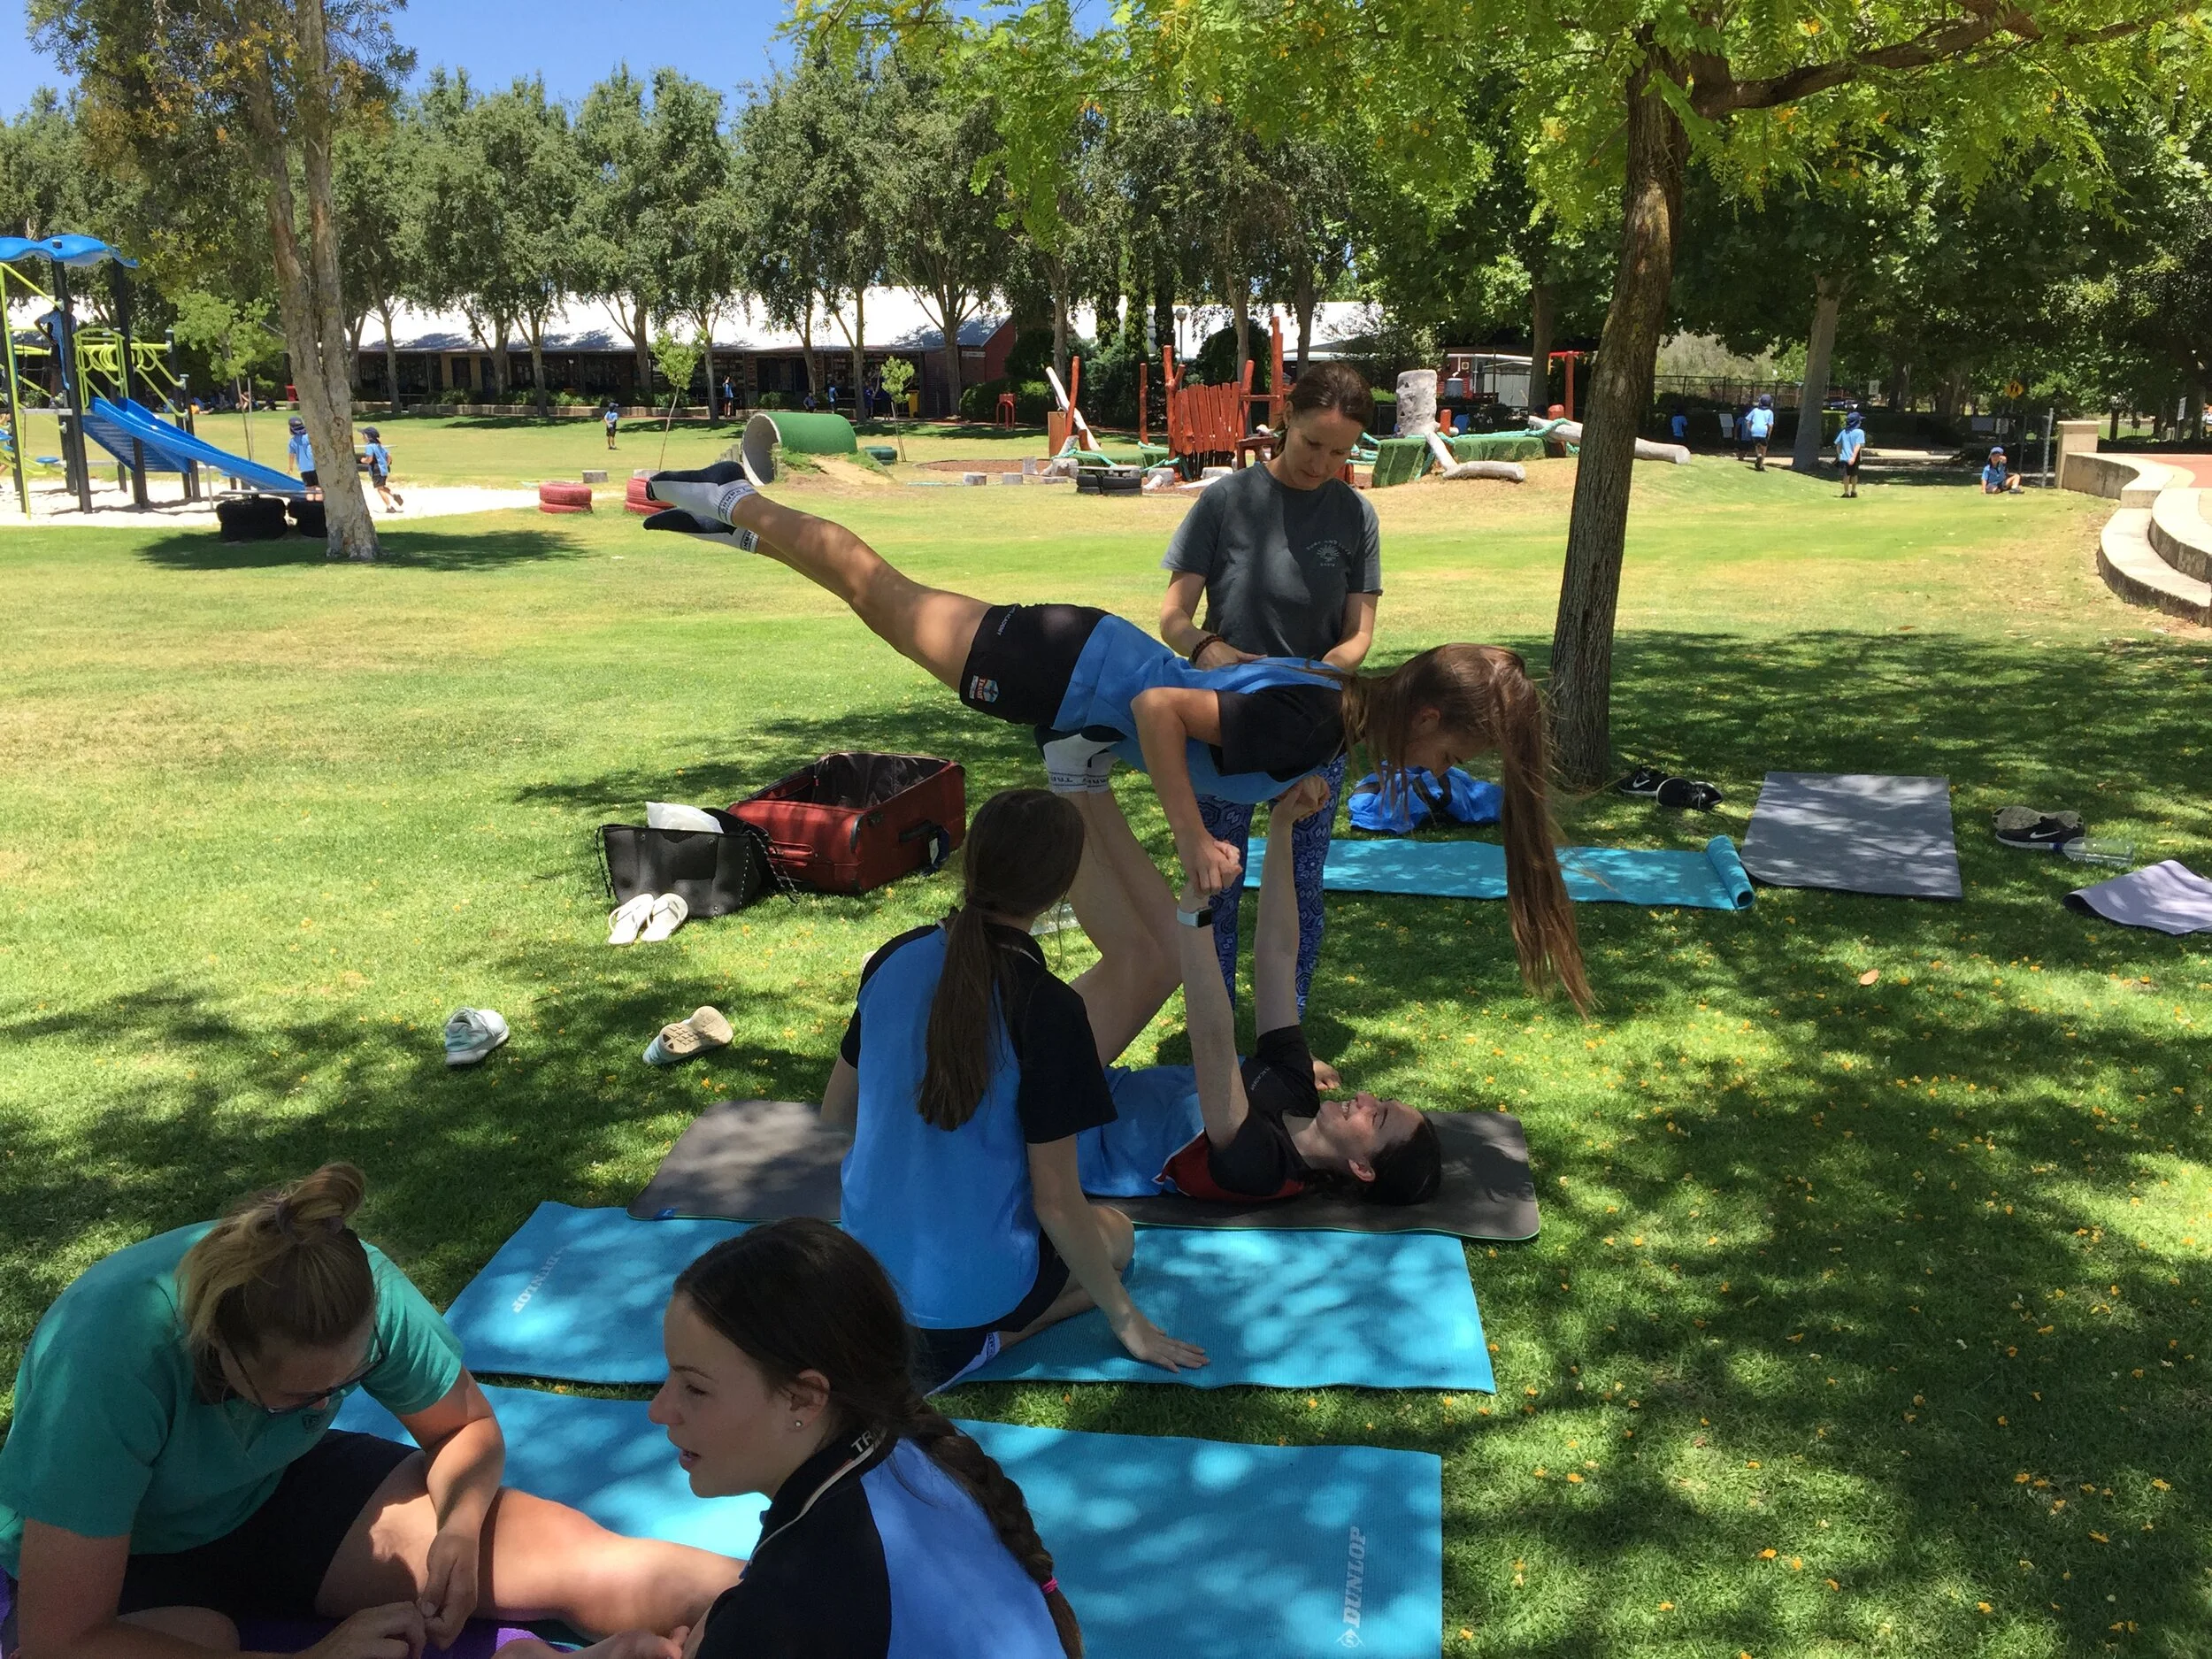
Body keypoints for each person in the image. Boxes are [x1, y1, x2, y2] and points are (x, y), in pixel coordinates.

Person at [637, 471, 1578, 948]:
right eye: (1459, 751)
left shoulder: (1337, 703)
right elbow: (1168, 708)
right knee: (875, 591)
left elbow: (1223, 691)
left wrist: (1278, 802)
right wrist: (1197, 837)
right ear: (1426, 722)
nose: (1448, 772)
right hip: (1060, 668)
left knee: (872, 594)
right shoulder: (1322, 719)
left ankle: (740, 526)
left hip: (1079, 692)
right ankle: (734, 496)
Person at [0, 1164, 739, 1659]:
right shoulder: (109, 1357)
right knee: (199, 1637)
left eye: (345, 1385)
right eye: (297, 1397)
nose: (324, 1406)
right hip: (128, 1556)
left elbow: (467, 1428)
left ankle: (810, 1598)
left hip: (272, 1491)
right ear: (218, 1347)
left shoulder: (361, 1294)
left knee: (584, 1564)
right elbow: (62, 1638)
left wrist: (457, 1524)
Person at [822, 788, 1204, 1393]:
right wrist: (1126, 1320)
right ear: (1059, 890)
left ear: (971, 861)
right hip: (953, 1314)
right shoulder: (1049, 1009)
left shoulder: (894, 958)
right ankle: (998, 1339)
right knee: (1118, 1239)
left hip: (859, 1280)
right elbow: (1056, 1203)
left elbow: (836, 1112)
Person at [624, 1218, 1079, 1657]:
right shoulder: (908, 1447)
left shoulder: (785, 1608)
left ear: (803, 1400)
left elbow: (793, 1613)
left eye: (695, 1388)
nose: (659, 1410)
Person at [1158, 357, 1379, 1011]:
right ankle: (1215, 1030)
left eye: (1341, 452)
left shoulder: (1355, 515)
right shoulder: (1224, 501)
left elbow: (1359, 634)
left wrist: (1315, 675)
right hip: (1225, 723)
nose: (1322, 463)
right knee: (1216, 879)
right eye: (1313, 443)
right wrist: (1208, 647)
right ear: (1285, 416)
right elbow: (1173, 616)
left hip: (1315, 728)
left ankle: (1288, 1032)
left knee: (1301, 882)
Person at [360, 426, 403, 513]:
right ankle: (393, 494)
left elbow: (370, 459)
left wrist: (363, 460)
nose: (363, 437)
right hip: (383, 470)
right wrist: (386, 464)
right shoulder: (380, 446)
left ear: (368, 436)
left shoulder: (369, 446)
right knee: (382, 487)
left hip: (376, 469)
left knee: (379, 489)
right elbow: (389, 457)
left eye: (364, 435)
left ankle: (389, 507)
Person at [1834, 411, 1867, 498]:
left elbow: (1838, 445)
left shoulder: (1843, 432)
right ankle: (1853, 490)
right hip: (1854, 457)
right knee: (1854, 474)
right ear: (1856, 422)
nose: (1860, 422)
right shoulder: (1860, 432)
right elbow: (1858, 445)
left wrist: (1839, 455)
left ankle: (1846, 492)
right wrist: (1853, 457)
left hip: (1844, 457)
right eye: (1859, 421)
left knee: (1846, 475)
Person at [287, 416, 319, 499]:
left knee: (309, 489)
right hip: (315, 466)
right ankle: (319, 507)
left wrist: (290, 468)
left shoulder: (292, 442)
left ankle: (310, 507)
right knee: (318, 488)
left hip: (304, 469)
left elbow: (291, 456)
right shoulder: (309, 437)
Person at [1746, 395, 1774, 471]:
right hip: (1763, 431)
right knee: (1764, 448)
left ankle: (1758, 454)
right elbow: (1770, 425)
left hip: (1754, 430)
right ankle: (1761, 464)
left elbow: (1748, 421)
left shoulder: (1755, 410)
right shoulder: (1770, 412)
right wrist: (1769, 434)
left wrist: (1750, 429)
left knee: (1757, 445)